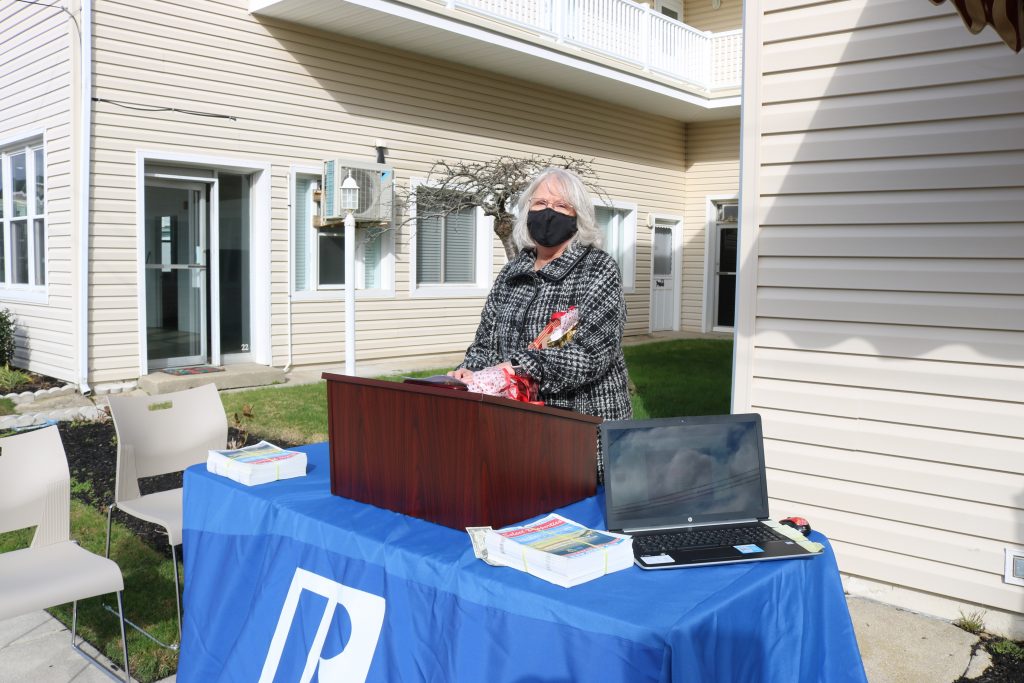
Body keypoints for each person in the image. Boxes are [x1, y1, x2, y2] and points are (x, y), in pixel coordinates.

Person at [449, 167, 632, 478]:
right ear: (526, 211)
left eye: (561, 206)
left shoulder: (598, 269)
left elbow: (590, 355)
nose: (549, 213)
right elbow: (485, 341)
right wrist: (471, 370)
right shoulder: (512, 272)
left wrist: (520, 367)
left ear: (579, 217)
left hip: (581, 435)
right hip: (515, 430)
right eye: (540, 204)